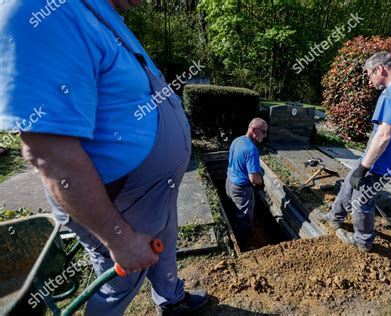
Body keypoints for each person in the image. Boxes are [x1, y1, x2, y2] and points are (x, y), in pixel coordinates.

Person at [0, 0, 208, 314]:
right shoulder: (40, 10)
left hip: (152, 191)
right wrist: (120, 240)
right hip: (118, 201)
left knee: (165, 240)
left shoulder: (100, 12)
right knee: (118, 284)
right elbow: (51, 155)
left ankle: (170, 298)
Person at [321, 51, 391, 252]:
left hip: (380, 162)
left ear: (380, 68)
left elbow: (384, 135)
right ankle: (334, 217)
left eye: (369, 74)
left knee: (361, 200)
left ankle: (363, 241)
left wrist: (364, 168)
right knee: (349, 182)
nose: (369, 80)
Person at [226, 118, 267, 249]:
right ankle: (244, 246)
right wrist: (261, 184)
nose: (265, 136)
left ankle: (235, 232)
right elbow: (254, 178)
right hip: (241, 190)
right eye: (264, 132)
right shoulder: (251, 149)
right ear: (254, 130)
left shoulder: (237, 140)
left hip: (229, 182)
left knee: (233, 211)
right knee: (244, 219)